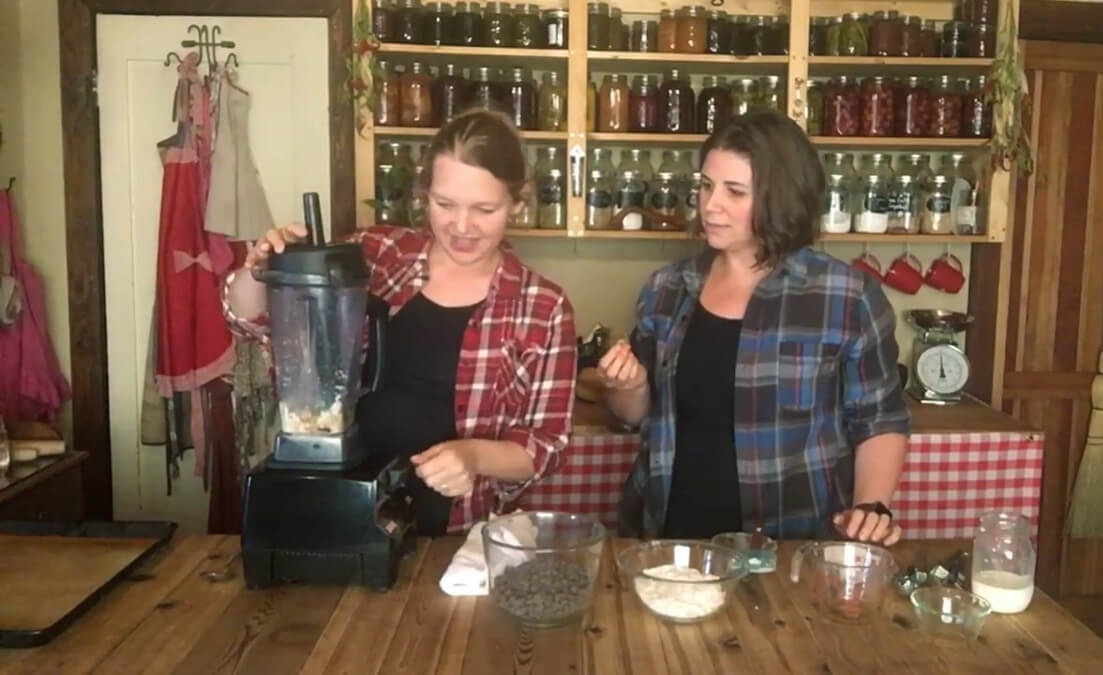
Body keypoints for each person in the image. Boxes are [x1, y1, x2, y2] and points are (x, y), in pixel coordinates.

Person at [223, 110, 577, 536]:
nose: (461, 226)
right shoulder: (374, 253)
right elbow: (249, 319)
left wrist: (474, 456)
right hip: (335, 503)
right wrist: (264, 269)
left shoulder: (543, 306)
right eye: (444, 204)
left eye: (484, 209)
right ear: (424, 193)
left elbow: (546, 445)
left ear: (517, 203)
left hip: (457, 528)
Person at [599, 111, 909, 545]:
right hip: (671, 538)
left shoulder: (845, 297)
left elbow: (879, 420)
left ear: (780, 197)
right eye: (706, 186)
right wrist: (626, 385)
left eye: (734, 192)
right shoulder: (668, 289)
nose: (710, 205)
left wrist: (870, 507)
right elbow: (635, 416)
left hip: (792, 546)